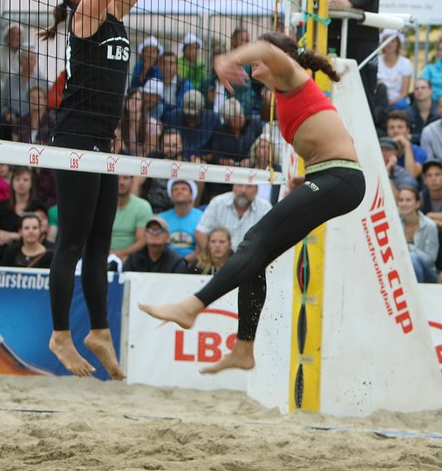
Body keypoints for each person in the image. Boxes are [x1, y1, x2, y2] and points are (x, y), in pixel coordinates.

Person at [139, 31, 366, 374]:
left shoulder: (291, 74)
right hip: (331, 177)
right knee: (255, 256)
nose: (253, 62)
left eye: (260, 58)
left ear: (281, 56)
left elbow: (262, 48)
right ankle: (243, 349)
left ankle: (192, 306)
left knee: (252, 241)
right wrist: (309, 178)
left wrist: (226, 59)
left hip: (341, 180)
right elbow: (340, 140)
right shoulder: (284, 91)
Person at [38, 0, 182, 378]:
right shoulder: (85, 15)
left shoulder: (116, 14)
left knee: (99, 243)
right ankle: (60, 335)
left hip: (104, 142)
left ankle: (99, 330)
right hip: (75, 140)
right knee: (72, 243)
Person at [194, 183, 272, 252]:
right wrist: (212, 256)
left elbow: (269, 240)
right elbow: (200, 232)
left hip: (250, 263)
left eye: (249, 186)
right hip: (218, 262)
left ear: (256, 190)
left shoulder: (265, 208)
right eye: (239, 185)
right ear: (233, 187)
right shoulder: (218, 202)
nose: (243, 190)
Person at [0, 167, 47, 251]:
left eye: (25, 180)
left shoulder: (38, 206)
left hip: (31, 251)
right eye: (17, 179)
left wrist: (12, 236)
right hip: (3, 250)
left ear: (31, 183)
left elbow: (41, 234)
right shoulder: (2, 205)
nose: (21, 183)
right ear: (12, 182)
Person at [396, 185, 439, 284]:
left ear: (417, 203)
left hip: (427, 274)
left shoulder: (429, 225)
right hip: (399, 269)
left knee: (413, 258)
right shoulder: (394, 223)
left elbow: (431, 260)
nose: (404, 204)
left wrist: (409, 248)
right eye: (401, 200)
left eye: (408, 200)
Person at [123, 216, 193, 274]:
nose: (154, 233)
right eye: (150, 230)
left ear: (167, 237)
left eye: (159, 230)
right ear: (145, 235)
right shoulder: (133, 260)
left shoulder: (176, 262)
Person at [159, 180, 204, 261]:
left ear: (191, 195)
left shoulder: (202, 217)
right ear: (171, 196)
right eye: (175, 189)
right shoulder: (161, 218)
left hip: (194, 263)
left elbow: (203, 248)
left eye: (183, 189)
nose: (179, 191)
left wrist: (183, 261)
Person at [385, 110, 426, 181]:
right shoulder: (381, 151)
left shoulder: (419, 151)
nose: (395, 131)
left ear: (408, 130)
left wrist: (407, 145)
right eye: (391, 128)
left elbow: (411, 175)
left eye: (400, 127)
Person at [376, 30, 412, 110]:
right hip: (379, 102)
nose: (389, 44)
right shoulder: (376, 61)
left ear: (398, 43)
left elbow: (404, 92)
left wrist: (389, 104)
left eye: (392, 41)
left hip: (398, 104)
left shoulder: (406, 63)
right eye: (385, 40)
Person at [405, 78, 438, 145]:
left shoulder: (439, 111)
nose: (419, 91)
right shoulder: (407, 113)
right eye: (416, 89)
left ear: (430, 91)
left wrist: (414, 137)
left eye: (423, 88)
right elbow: (405, 136)